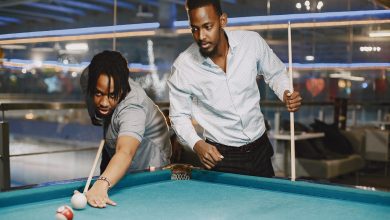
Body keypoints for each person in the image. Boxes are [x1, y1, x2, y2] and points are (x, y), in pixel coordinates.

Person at [167, 0, 302, 178]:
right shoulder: (184, 66)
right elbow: (178, 116)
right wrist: (196, 143)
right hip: (222, 157)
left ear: (223, 20)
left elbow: (276, 73)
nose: (201, 36)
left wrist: (285, 92)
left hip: (260, 149)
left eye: (208, 26)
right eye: (195, 29)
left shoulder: (252, 43)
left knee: (267, 204)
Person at [82, 50, 171, 208]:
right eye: (98, 93)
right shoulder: (88, 77)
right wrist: (95, 116)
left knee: (141, 206)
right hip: (113, 144)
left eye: (111, 95)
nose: (104, 102)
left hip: (148, 159)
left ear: (122, 89)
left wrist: (102, 184)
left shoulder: (133, 107)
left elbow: (125, 152)